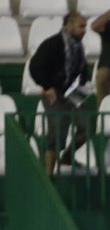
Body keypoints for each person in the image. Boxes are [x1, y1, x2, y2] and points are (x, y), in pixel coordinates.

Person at [27, 11, 90, 177]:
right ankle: (49, 174)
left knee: (87, 126)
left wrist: (83, 88)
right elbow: (35, 67)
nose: (84, 30)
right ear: (69, 26)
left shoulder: (79, 46)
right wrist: (47, 86)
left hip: (74, 92)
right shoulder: (53, 44)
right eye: (81, 26)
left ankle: (67, 158)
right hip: (55, 91)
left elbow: (83, 70)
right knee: (57, 130)